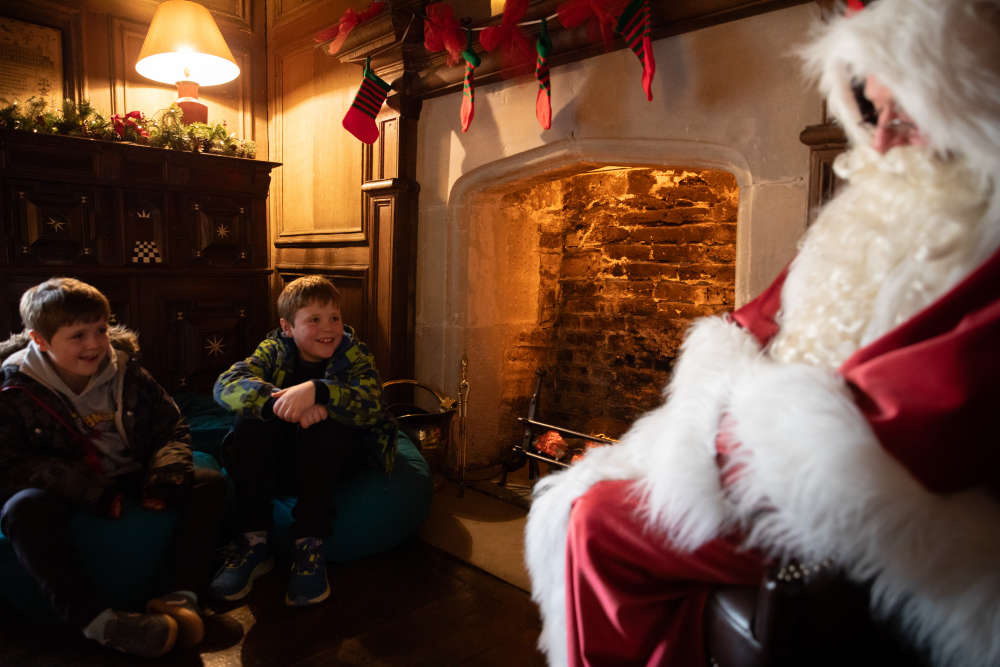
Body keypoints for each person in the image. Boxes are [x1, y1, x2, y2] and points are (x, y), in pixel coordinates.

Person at [524, 1, 1000, 666]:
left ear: (966, 105)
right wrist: (708, 395)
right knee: (588, 495)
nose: (884, 140)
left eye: (909, 115)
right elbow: (760, 315)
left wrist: (721, 439)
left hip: (867, 504)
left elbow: (922, 416)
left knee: (598, 520)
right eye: (873, 112)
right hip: (774, 447)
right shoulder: (878, 211)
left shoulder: (984, 236)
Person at [0, 277, 227, 658]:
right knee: (21, 511)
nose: (94, 344)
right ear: (40, 340)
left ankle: (179, 598)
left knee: (209, 485)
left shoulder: (127, 370)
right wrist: (89, 490)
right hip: (68, 484)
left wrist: (165, 476)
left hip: (129, 471)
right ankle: (97, 622)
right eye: (77, 336)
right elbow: (10, 465)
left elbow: (171, 426)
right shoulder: (14, 387)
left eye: (101, 330)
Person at [210, 274, 396, 607]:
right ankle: (254, 540)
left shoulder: (353, 354)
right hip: (282, 459)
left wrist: (318, 392)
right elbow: (227, 384)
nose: (329, 328)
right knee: (249, 423)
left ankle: (309, 545)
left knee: (326, 426)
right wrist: (279, 403)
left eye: (334, 318)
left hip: (335, 460)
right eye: (314, 319)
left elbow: (374, 403)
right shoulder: (273, 349)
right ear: (287, 327)